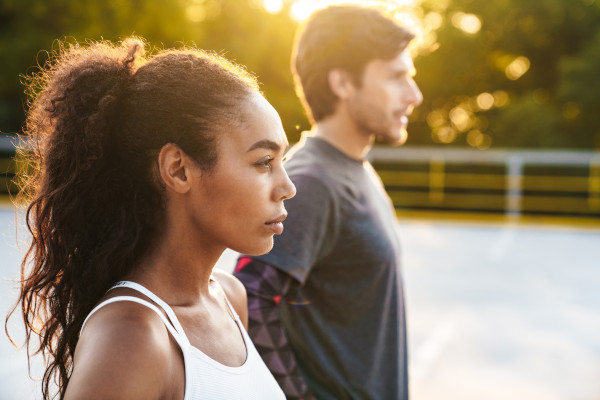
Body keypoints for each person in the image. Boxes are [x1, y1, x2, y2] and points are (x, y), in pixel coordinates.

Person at [6, 37, 296, 400]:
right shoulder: (131, 339)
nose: (287, 187)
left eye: (282, 160)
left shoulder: (230, 298)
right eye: (264, 162)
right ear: (178, 170)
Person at [234, 5, 423, 399]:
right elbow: (250, 296)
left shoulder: (353, 169)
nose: (414, 94)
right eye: (395, 77)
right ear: (343, 83)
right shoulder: (312, 181)